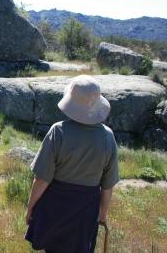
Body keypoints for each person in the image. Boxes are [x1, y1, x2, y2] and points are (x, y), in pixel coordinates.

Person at [25, 75, 119, 253]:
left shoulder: (58, 131)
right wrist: (102, 214)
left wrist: (30, 208)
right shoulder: (108, 137)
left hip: (55, 207)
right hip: (86, 210)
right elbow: (107, 186)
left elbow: (42, 179)